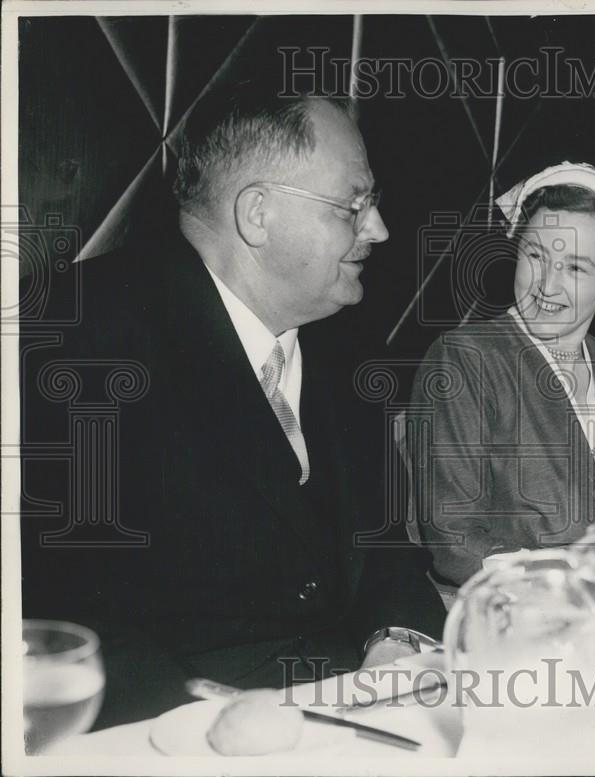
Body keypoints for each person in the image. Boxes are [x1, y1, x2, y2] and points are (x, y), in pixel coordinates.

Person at [20, 81, 446, 728]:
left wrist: (398, 636)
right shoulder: (68, 336)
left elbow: (386, 552)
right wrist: (207, 719)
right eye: (352, 205)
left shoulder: (351, 347)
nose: (378, 229)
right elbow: (47, 610)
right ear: (257, 214)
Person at [407, 162, 595, 586]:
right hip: (515, 613)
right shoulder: (466, 360)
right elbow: (455, 541)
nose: (547, 285)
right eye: (535, 255)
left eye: (576, 268)